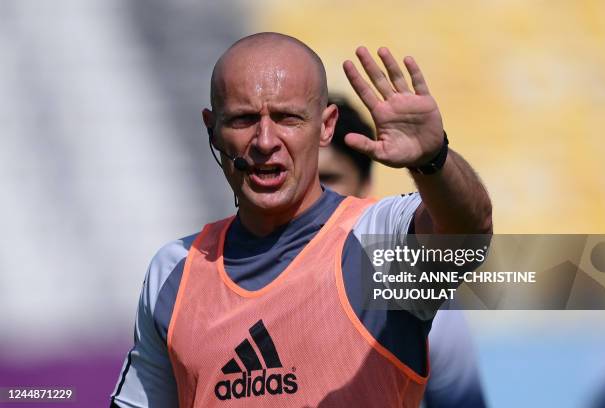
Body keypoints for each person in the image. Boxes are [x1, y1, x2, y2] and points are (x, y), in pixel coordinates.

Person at [110, 32, 492, 407]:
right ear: (212, 129)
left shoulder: (375, 240)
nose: (264, 141)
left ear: (326, 126)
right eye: (243, 119)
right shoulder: (174, 270)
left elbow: (467, 232)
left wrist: (434, 161)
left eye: (287, 118)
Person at [319, 96, 488, 408]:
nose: (318, 195)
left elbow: (461, 402)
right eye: (308, 181)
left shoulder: (409, 281)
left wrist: (433, 160)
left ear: (366, 181)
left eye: (329, 178)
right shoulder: (214, 268)